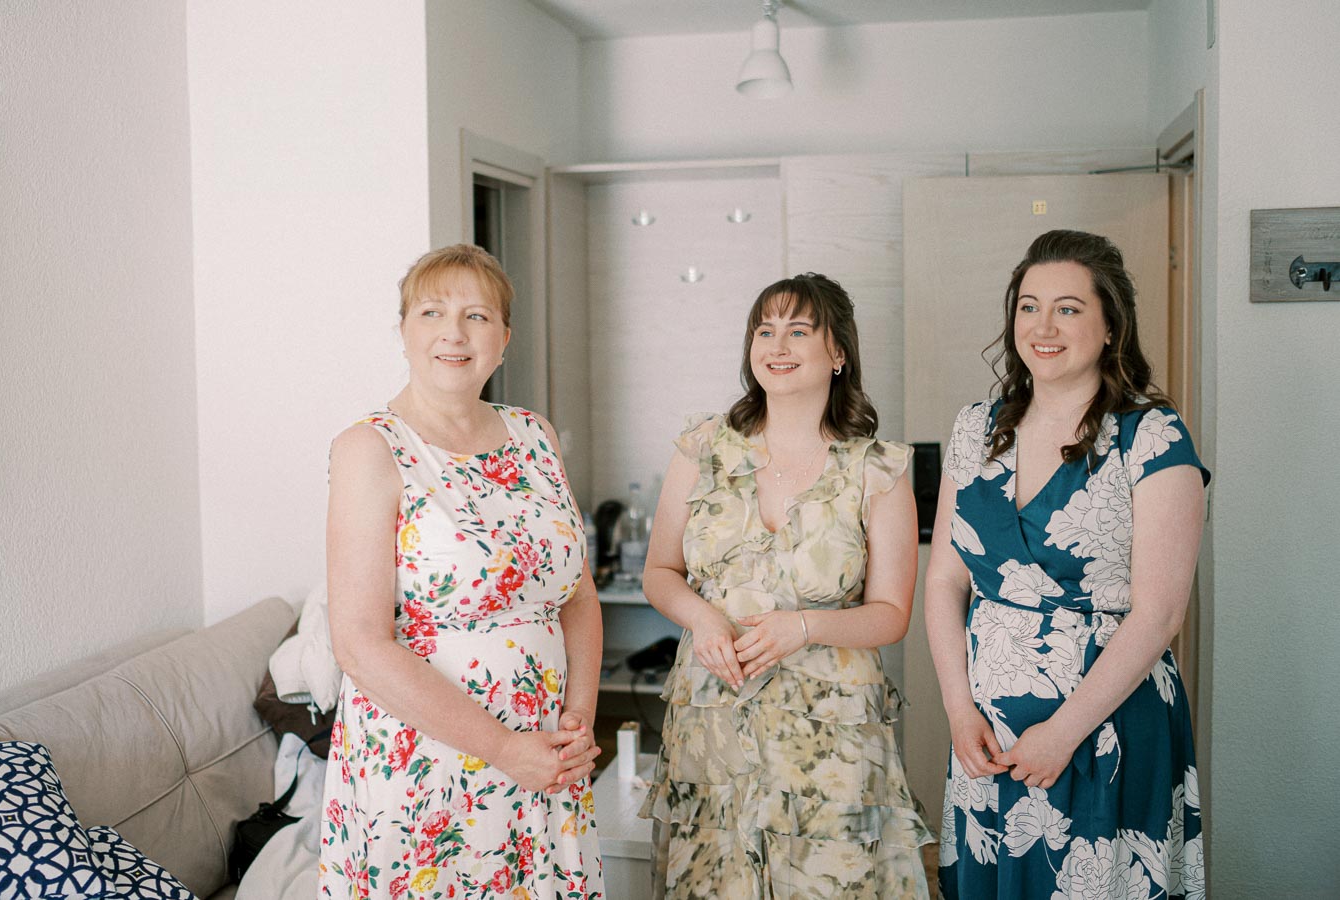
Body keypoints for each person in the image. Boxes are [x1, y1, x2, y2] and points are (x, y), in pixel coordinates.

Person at [927, 230, 1209, 898]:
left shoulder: (1153, 435)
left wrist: (1062, 733)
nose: (1043, 326)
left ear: (1111, 325)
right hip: (987, 734)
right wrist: (958, 708)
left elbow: (1161, 613)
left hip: (1104, 729)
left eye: (1069, 308)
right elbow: (944, 578)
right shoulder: (974, 428)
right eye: (1028, 307)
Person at [319, 244, 604, 899]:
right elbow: (359, 644)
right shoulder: (371, 448)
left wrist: (576, 722)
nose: (454, 332)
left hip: (546, 755)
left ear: (503, 338)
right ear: (403, 331)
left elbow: (578, 596)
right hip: (427, 762)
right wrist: (506, 750)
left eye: (477, 316)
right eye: (432, 312)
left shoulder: (537, 435)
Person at [639, 273, 933, 899]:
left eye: (799, 330)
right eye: (765, 330)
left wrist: (804, 626)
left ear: (839, 352)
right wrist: (704, 618)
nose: (777, 344)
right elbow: (660, 573)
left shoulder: (878, 468)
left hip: (830, 728)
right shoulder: (703, 447)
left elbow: (890, 614)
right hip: (714, 715)